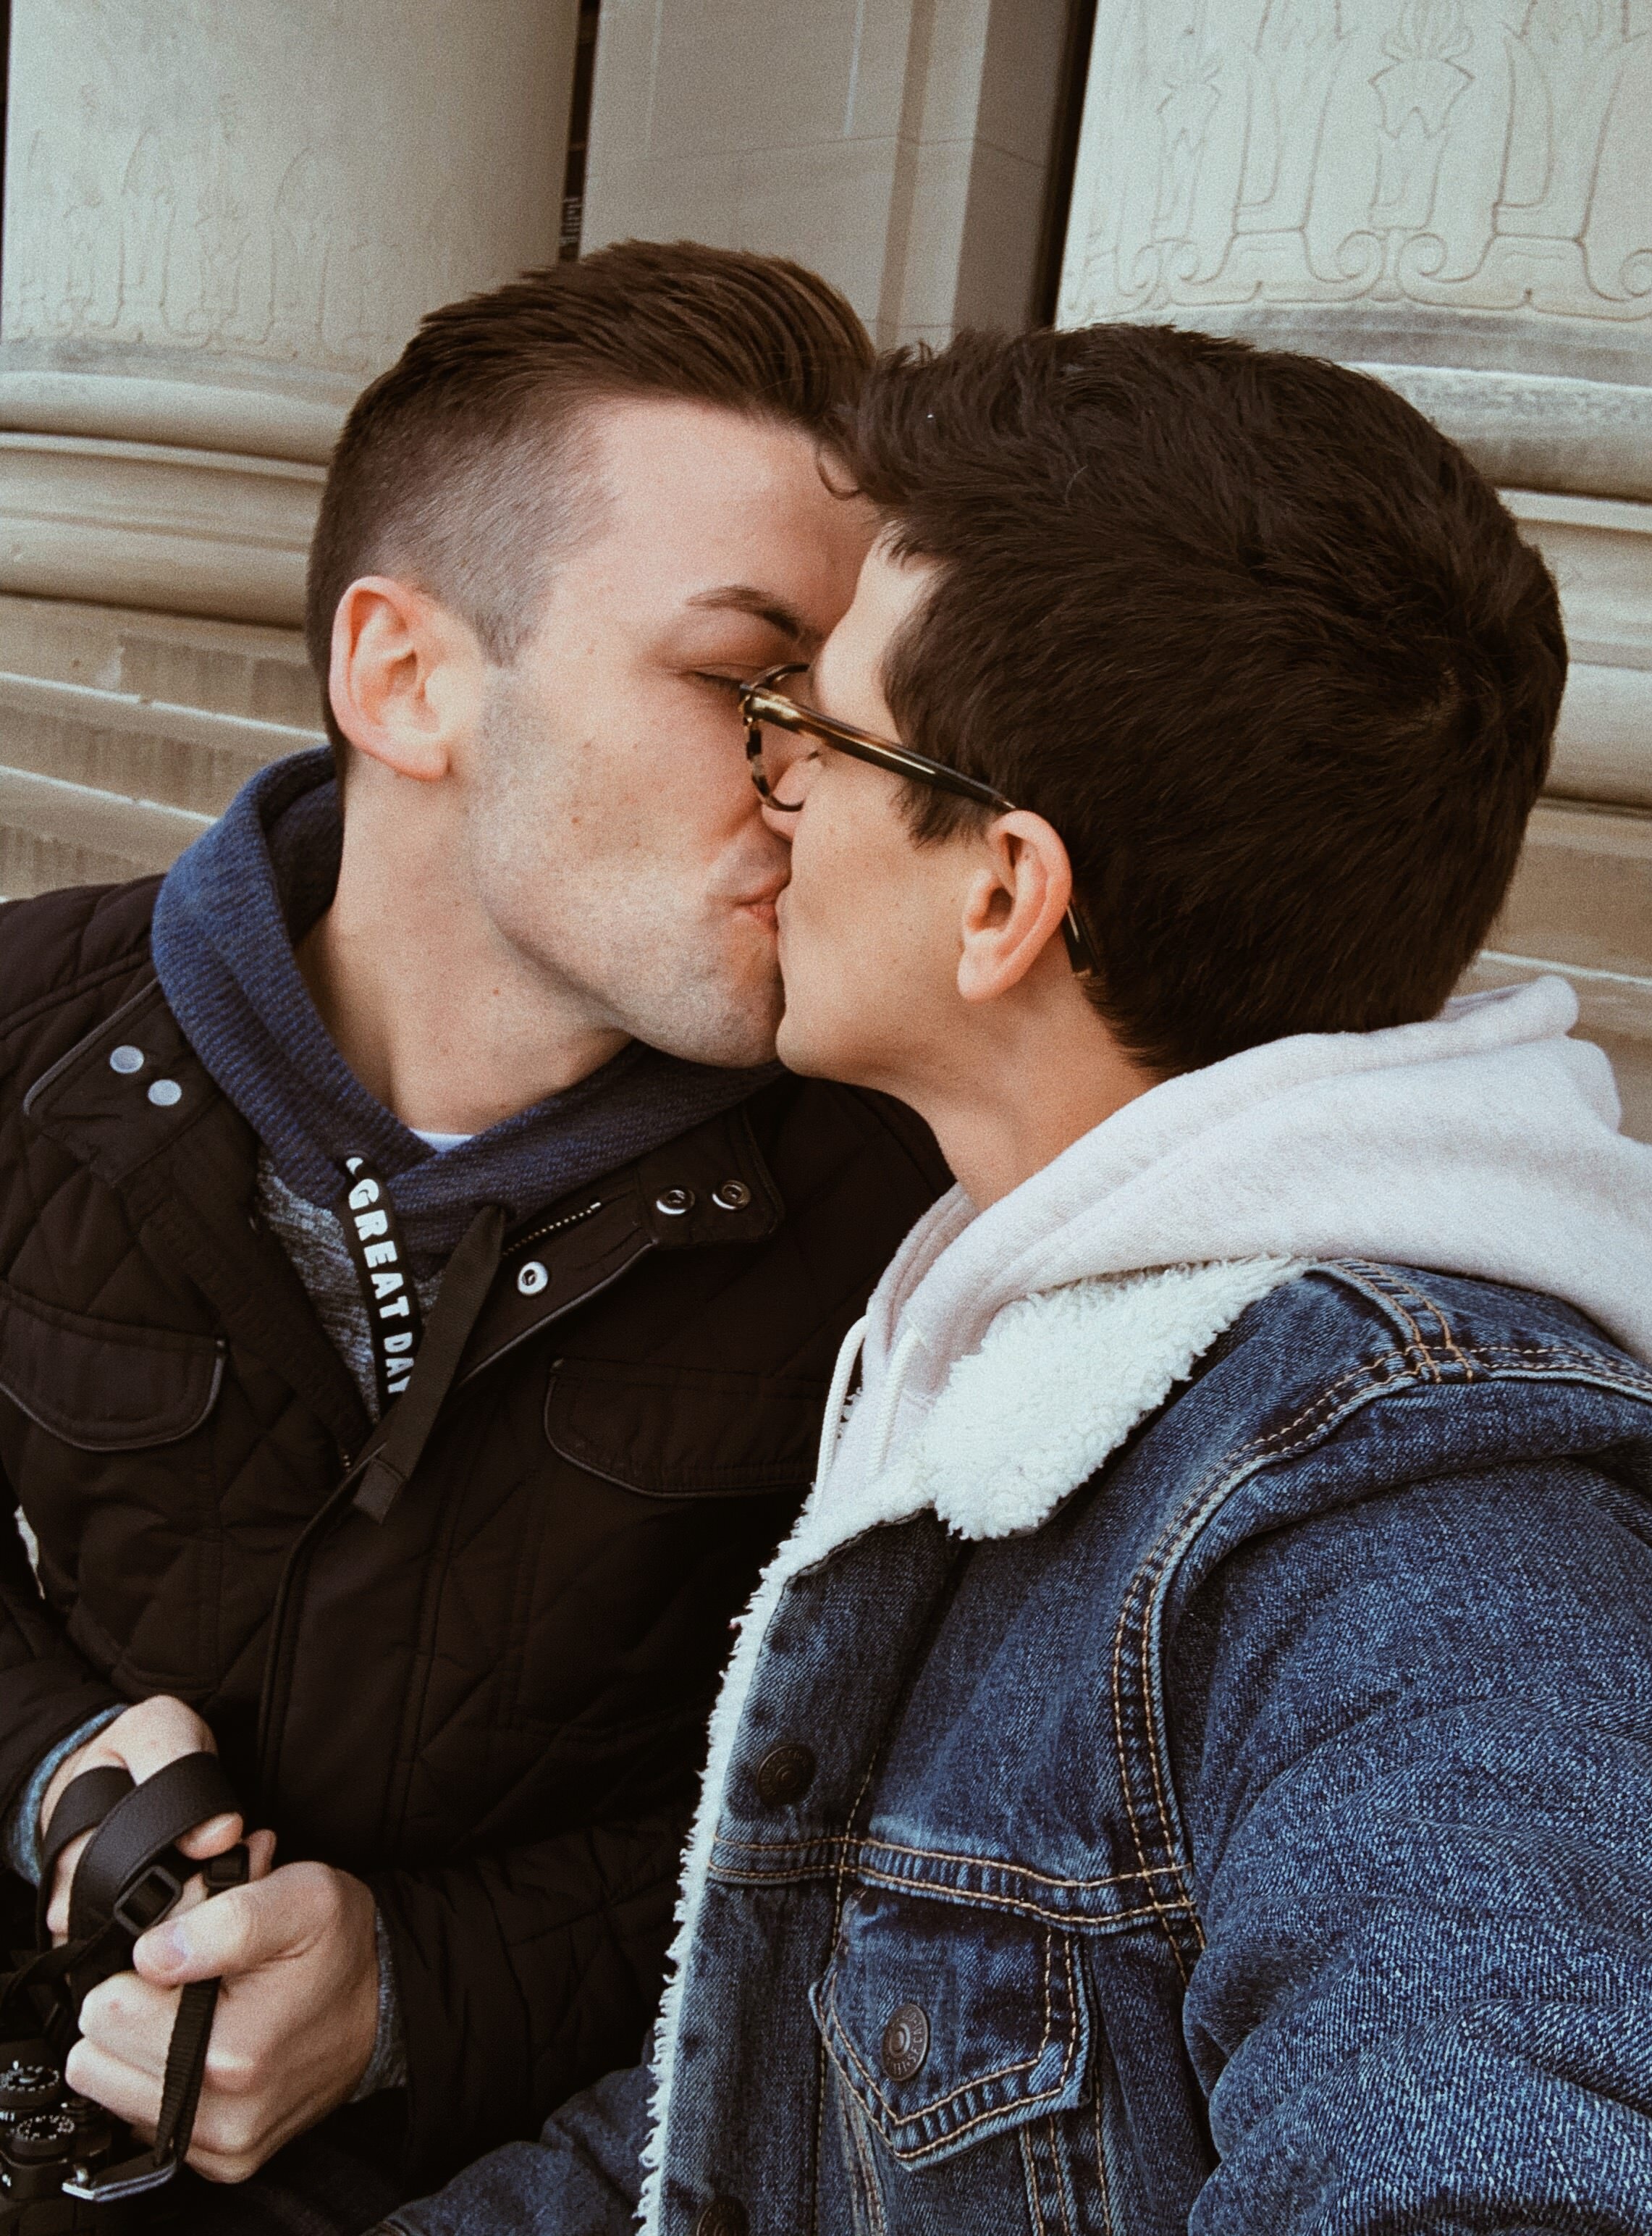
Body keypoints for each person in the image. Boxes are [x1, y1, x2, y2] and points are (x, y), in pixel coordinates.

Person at [380, 323, 1652, 2236]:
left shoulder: (1422, 1546)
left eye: (812, 723)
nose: (771, 793)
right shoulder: (1042, 1345)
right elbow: (773, 2092)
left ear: (1001, 892)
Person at [0, 242, 948, 2228]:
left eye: (848, 710)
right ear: (408, 677)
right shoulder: (22, 1028)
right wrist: (52, 1755)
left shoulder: (914, 1213)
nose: (817, 785)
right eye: (742, 682)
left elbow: (905, 1837)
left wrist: (416, 1987)